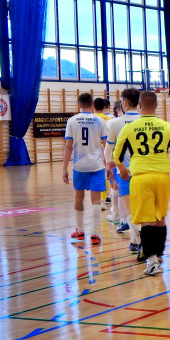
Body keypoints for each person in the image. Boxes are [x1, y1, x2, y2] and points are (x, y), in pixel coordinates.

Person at [114, 91, 170, 275]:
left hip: (140, 178)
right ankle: (159, 255)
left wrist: (122, 170)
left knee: (146, 220)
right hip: (162, 177)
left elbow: (117, 154)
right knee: (160, 218)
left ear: (139, 105)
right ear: (156, 106)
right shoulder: (166, 127)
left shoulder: (129, 127)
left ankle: (151, 260)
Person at [62, 92, 107, 244]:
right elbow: (107, 146)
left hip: (79, 165)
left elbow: (68, 147)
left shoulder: (72, 121)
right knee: (95, 200)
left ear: (79, 105)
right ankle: (94, 234)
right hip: (97, 165)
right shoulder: (100, 121)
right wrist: (109, 164)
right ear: (93, 104)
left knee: (78, 197)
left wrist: (64, 169)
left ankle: (80, 231)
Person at [105, 88, 142, 253]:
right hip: (144, 170)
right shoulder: (146, 120)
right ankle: (136, 240)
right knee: (142, 207)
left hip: (124, 171)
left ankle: (138, 240)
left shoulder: (115, 123)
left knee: (129, 209)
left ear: (124, 103)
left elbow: (108, 151)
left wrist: (109, 166)